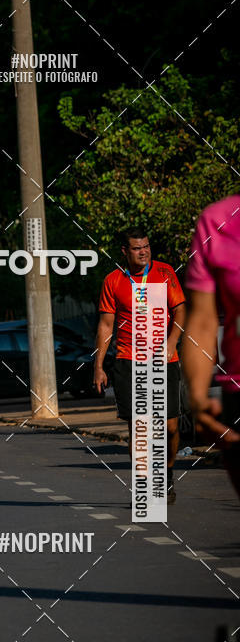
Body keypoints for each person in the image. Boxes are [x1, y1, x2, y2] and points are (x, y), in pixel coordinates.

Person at [94, 227, 186, 504]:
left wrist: (172, 341)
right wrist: (98, 365)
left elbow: (180, 309)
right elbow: (106, 325)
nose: (144, 251)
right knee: (141, 428)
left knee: (169, 427)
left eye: (146, 246)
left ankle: (166, 473)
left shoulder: (165, 272)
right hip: (128, 360)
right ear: (125, 251)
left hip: (164, 360)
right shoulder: (113, 281)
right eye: (137, 248)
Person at [182, 194, 240, 499]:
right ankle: (155, 490)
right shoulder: (218, 221)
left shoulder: (163, 275)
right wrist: (197, 396)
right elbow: (201, 319)